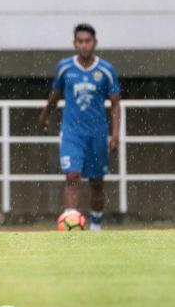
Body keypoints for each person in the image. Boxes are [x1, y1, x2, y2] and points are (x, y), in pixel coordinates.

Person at [38, 24, 120, 232]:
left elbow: (115, 104)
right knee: (73, 177)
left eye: (88, 41)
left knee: (96, 183)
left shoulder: (106, 70)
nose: (84, 45)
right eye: (80, 41)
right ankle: (71, 225)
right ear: (75, 43)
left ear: (95, 43)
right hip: (72, 132)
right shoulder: (65, 67)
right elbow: (55, 94)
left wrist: (115, 135)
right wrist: (45, 114)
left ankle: (96, 225)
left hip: (97, 132)